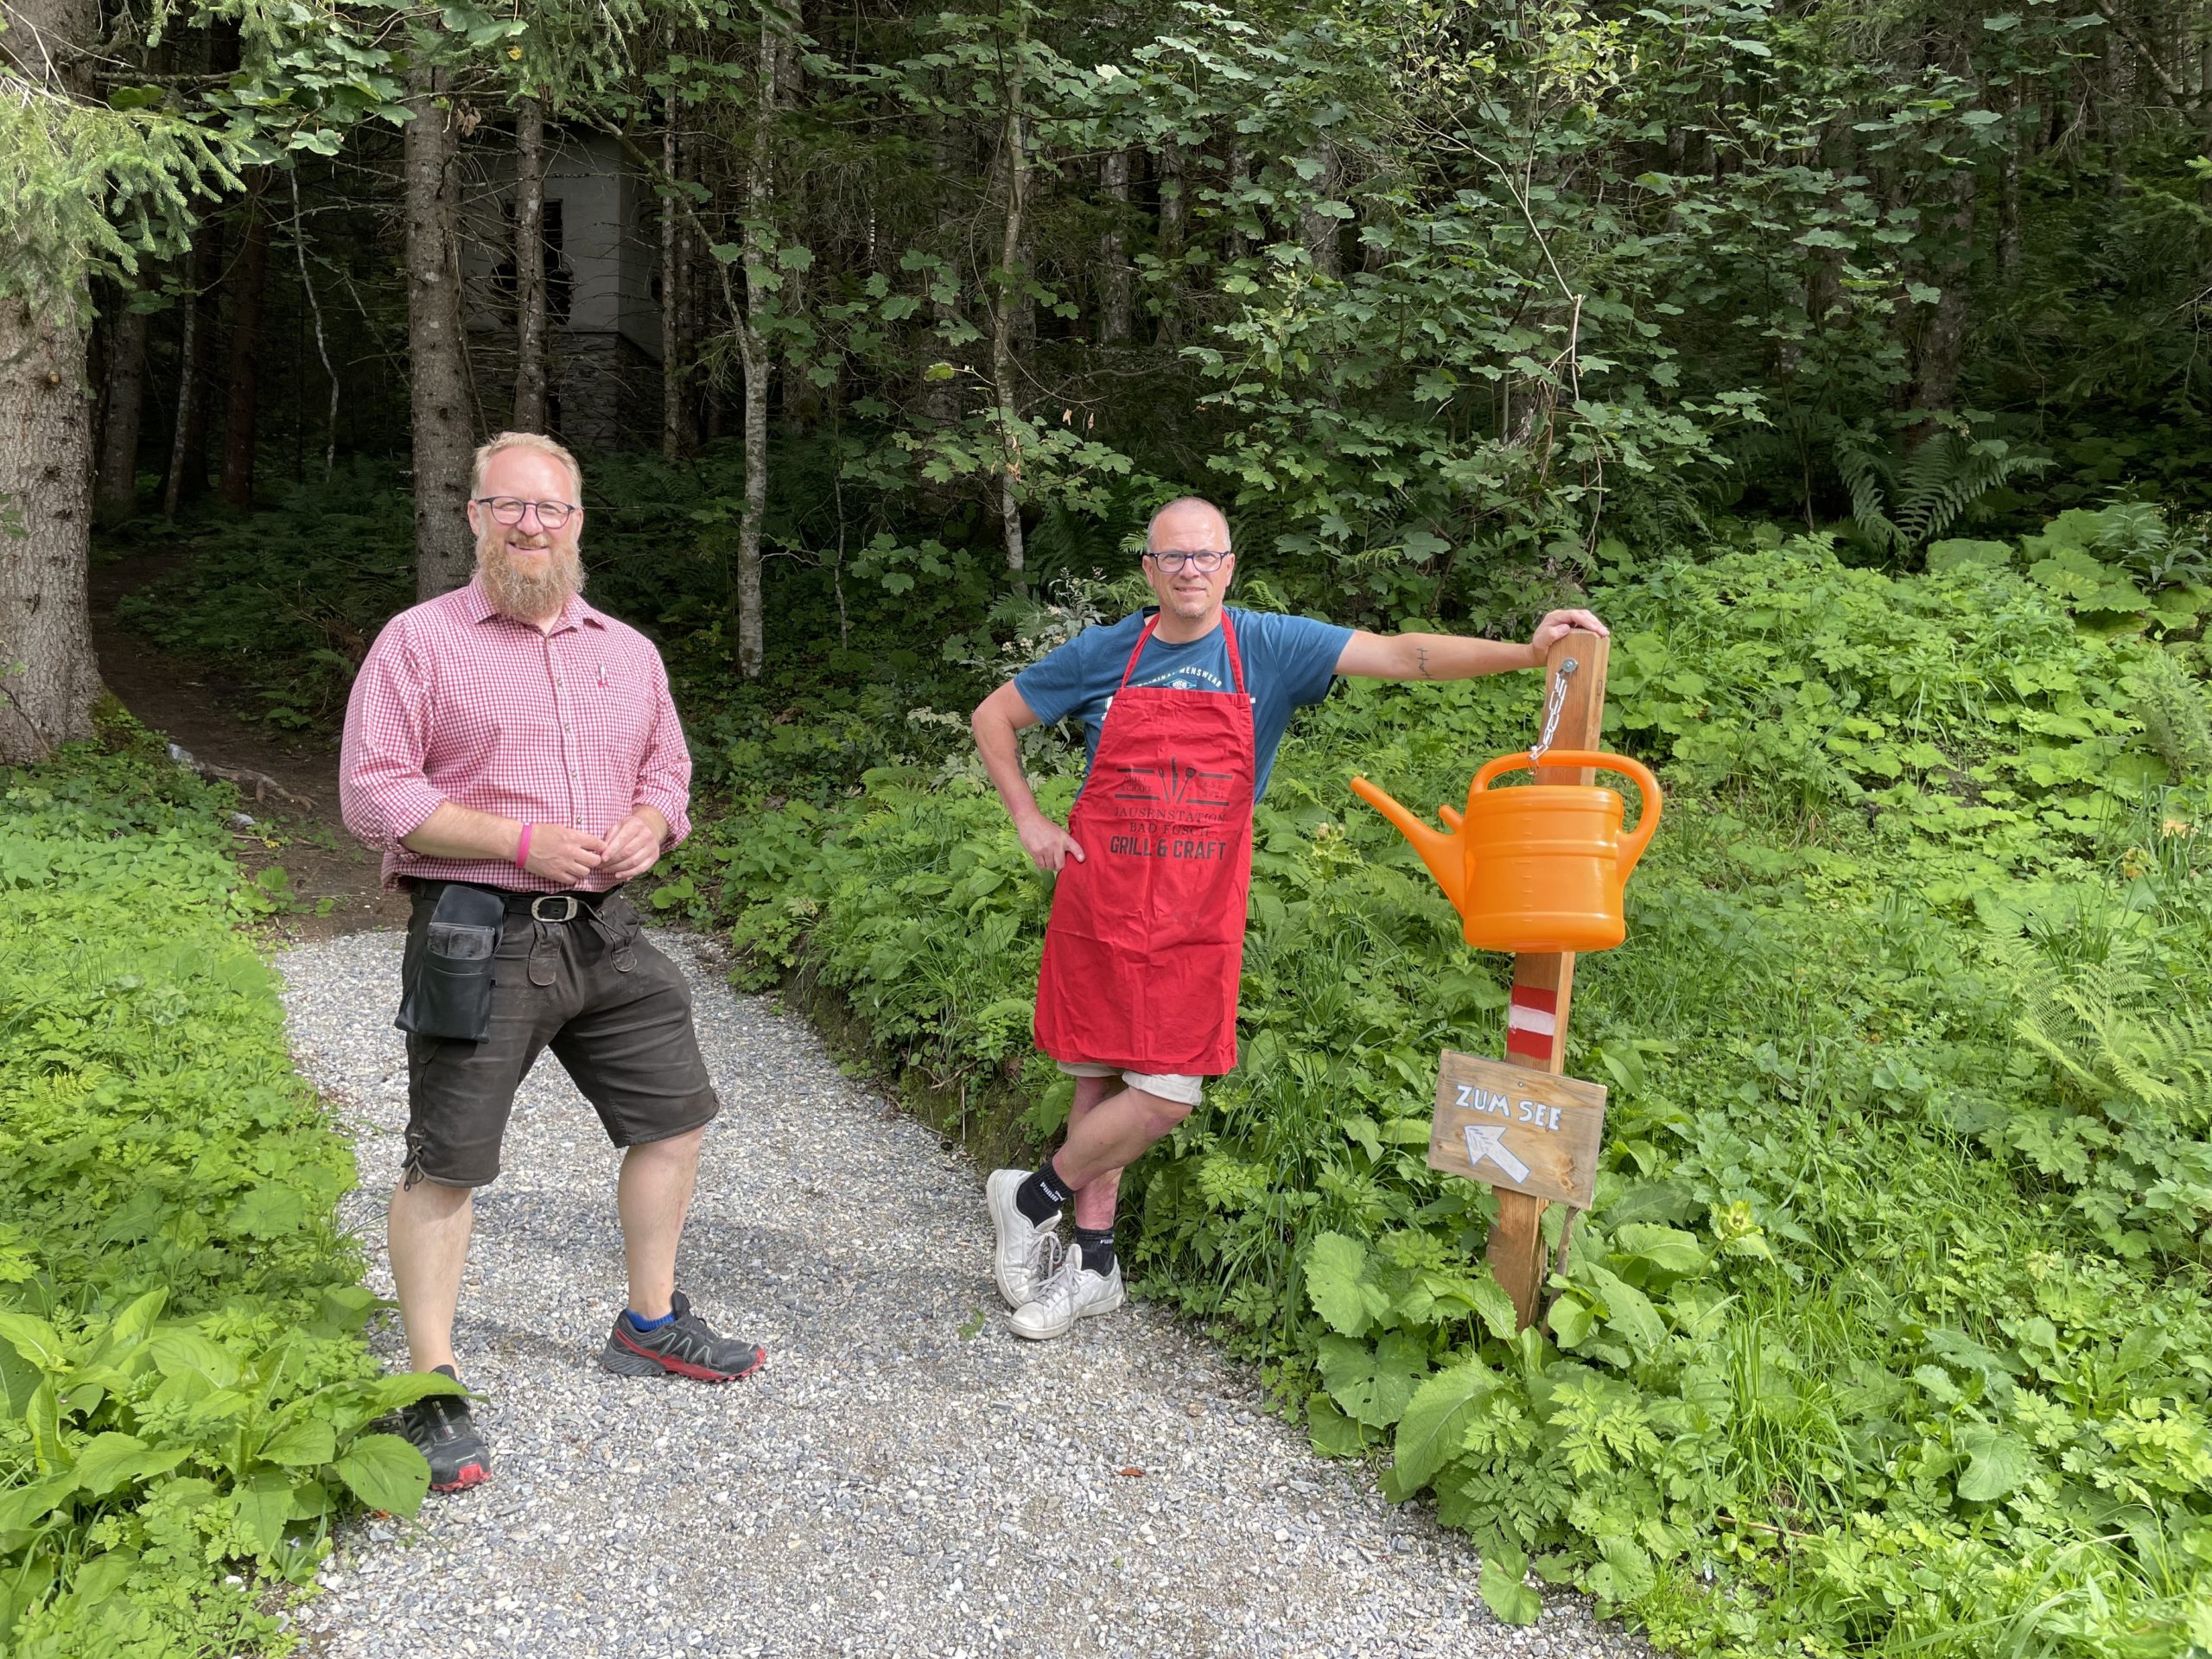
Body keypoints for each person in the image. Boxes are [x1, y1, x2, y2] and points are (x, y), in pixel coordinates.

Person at [969, 497, 1605, 1339]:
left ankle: (1031, 1192)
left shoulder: (1269, 646)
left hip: (1198, 914)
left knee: (1163, 1095)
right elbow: (994, 718)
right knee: (1100, 1082)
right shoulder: (1105, 652)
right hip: (1104, 900)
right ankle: (1094, 1265)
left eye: (1206, 556)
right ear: (1149, 571)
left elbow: (1404, 655)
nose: (1190, 570)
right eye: (1174, 558)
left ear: (1229, 567)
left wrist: (1526, 652)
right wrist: (1028, 817)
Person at [340, 431, 764, 1493]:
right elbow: (372, 793)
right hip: (477, 928)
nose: (532, 524)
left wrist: (651, 822)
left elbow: (669, 767)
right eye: (509, 505)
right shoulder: (419, 643)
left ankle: (650, 1321)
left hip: (605, 931)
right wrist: (516, 839)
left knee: (676, 1117)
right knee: (447, 1163)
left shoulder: (625, 650)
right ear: (475, 517)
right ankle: (429, 1385)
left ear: (578, 523)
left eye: (552, 509)